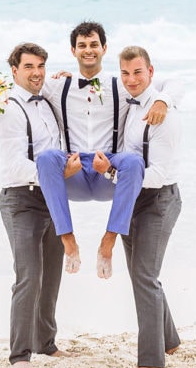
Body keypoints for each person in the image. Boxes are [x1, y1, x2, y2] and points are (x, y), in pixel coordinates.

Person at [35, 21, 176, 279]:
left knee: (134, 162)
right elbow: (24, 84)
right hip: (73, 171)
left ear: (104, 48)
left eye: (94, 45)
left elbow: (171, 83)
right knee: (45, 158)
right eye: (82, 45)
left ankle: (108, 242)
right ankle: (68, 239)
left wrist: (162, 101)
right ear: (72, 51)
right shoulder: (58, 86)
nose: (88, 50)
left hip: (106, 171)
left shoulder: (122, 84)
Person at [0, 42, 77, 368]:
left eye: (40, 65)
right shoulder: (6, 109)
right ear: (14, 71)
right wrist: (54, 173)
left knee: (51, 275)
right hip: (21, 199)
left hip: (52, 197)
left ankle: (46, 343)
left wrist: (64, 80)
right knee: (29, 275)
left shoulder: (47, 100)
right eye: (29, 67)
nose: (37, 72)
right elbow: (13, 165)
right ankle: (20, 356)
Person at [113, 45, 183, 368]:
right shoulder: (130, 102)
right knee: (143, 274)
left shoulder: (161, 116)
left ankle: (152, 364)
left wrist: (111, 175)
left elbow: (156, 174)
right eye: (125, 73)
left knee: (144, 276)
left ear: (150, 72)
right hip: (133, 200)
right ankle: (169, 340)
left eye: (138, 72)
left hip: (159, 200)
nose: (131, 80)